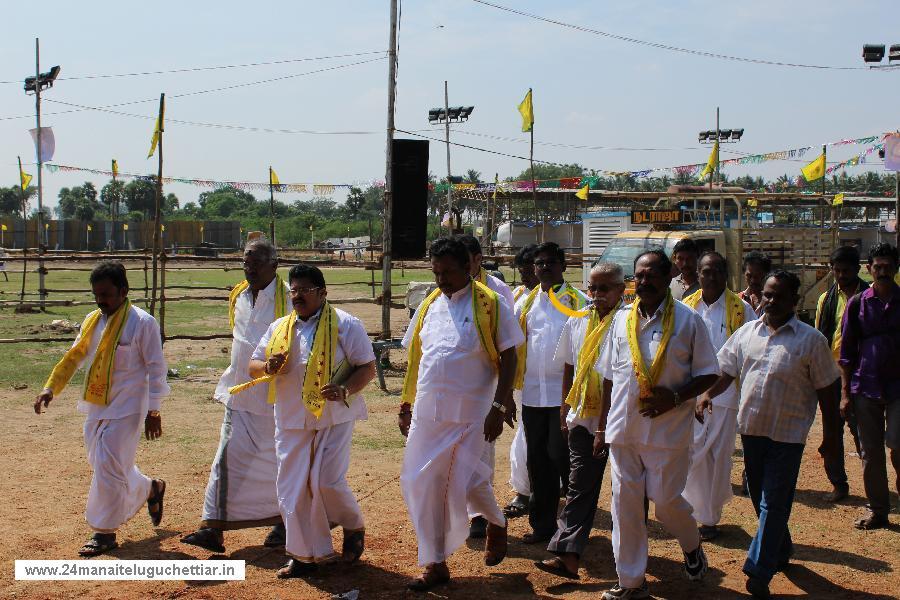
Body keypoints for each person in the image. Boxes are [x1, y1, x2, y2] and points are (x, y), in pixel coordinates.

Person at [399, 237, 523, 591]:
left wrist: (499, 406)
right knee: (421, 483)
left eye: (448, 272)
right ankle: (435, 563)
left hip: (473, 413)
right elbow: (416, 359)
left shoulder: (491, 303)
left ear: (469, 267)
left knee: (468, 482)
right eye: (436, 272)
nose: (441, 280)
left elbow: (510, 357)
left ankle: (494, 523)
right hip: (428, 414)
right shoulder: (429, 304)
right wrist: (406, 404)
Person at [598, 249, 718, 600]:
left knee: (665, 503)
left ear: (669, 279)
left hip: (667, 432)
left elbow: (709, 372)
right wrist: (603, 426)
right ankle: (631, 583)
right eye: (640, 275)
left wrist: (677, 398)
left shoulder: (687, 320)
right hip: (624, 430)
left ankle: (692, 545)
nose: (645, 281)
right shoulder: (621, 319)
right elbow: (608, 376)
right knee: (626, 507)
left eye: (652, 275)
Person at [714, 270, 841, 599]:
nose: (770, 301)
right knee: (760, 497)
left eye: (778, 296)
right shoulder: (747, 333)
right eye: (767, 295)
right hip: (752, 433)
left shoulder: (811, 340)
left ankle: (758, 570)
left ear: (794, 301)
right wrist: (704, 396)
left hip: (788, 436)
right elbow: (725, 370)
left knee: (772, 502)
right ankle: (780, 547)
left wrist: (830, 438)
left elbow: (828, 393)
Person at [246, 264, 377, 578]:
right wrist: (267, 366)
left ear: (322, 292)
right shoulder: (280, 328)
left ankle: (352, 524)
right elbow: (252, 365)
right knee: (292, 489)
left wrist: (346, 388)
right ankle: (305, 556)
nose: (297, 295)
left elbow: (367, 367)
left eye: (305, 289)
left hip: (334, 417)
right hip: (291, 417)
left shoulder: (347, 324)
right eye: (293, 289)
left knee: (326, 482)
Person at [34, 261, 169, 557]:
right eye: (96, 294)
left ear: (123, 291)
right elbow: (74, 357)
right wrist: (50, 387)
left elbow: (157, 368)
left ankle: (104, 533)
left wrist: (154, 410)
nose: (101, 300)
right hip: (96, 406)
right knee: (107, 466)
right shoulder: (92, 321)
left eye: (106, 294)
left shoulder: (142, 323)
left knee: (108, 467)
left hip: (130, 408)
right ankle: (151, 488)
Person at [181, 240, 290, 554]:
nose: (250, 269)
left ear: (274, 265)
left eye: (256, 264)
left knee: (282, 463)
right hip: (240, 393)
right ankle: (212, 527)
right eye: (246, 263)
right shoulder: (238, 294)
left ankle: (285, 522)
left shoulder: (289, 298)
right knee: (225, 459)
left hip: (276, 397)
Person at [534, 261, 625, 580]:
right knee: (579, 486)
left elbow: (617, 378)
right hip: (584, 416)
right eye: (593, 288)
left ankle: (629, 555)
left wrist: (605, 426)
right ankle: (567, 555)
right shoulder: (579, 320)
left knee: (627, 493)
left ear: (621, 289)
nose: (597, 294)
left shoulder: (628, 323)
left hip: (622, 420)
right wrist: (564, 408)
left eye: (605, 288)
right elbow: (569, 367)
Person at [516, 241, 588, 544]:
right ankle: (542, 525)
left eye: (550, 262)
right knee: (538, 461)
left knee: (563, 459)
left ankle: (572, 526)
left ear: (563, 266)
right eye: (539, 263)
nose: (544, 268)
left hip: (565, 396)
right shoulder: (525, 303)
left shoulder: (578, 302)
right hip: (533, 394)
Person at [681, 252, 757, 541]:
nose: (711, 277)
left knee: (718, 458)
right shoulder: (686, 307)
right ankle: (687, 511)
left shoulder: (741, 309)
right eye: (705, 272)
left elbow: (748, 352)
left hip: (724, 397)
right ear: (697, 275)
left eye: (717, 272)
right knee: (690, 455)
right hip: (689, 396)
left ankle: (710, 519)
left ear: (726, 274)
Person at [454, 233, 515, 538]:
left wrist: (505, 399)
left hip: (486, 386)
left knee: (481, 451)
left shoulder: (498, 292)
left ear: (478, 260)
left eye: (466, 260)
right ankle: (461, 508)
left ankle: (481, 514)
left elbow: (510, 348)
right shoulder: (441, 292)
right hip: (451, 389)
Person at [839, 242, 900, 530]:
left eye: (888, 267)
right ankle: (878, 510)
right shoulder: (857, 304)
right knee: (870, 452)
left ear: (896, 269)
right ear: (870, 269)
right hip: (865, 386)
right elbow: (847, 352)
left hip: (899, 388)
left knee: (898, 445)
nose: (883, 271)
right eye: (878, 267)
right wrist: (844, 393)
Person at [814, 245, 868, 503]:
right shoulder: (826, 299)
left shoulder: (869, 297)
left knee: (862, 433)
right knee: (831, 433)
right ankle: (838, 483)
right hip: (831, 375)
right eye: (837, 271)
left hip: (861, 375)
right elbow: (818, 337)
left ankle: (872, 487)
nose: (841, 275)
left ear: (857, 270)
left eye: (846, 271)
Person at [504, 243, 541, 518]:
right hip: (523, 379)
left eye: (531, 271)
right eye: (522, 271)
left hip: (553, 382)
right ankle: (523, 490)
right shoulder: (515, 299)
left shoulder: (568, 300)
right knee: (525, 435)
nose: (527, 276)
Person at [739, 251, 771, 316]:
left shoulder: (775, 302)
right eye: (749, 276)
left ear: (767, 275)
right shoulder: (738, 300)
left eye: (757, 276)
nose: (753, 280)